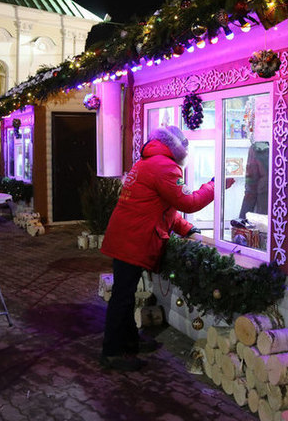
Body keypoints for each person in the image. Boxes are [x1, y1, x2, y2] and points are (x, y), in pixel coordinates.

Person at [99, 125, 233, 371]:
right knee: (122, 297)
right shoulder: (165, 167)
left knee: (124, 295)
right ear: (177, 148)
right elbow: (187, 202)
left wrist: (186, 229)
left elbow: (163, 208)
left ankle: (129, 343)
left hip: (125, 237)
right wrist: (215, 185)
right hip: (134, 240)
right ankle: (112, 352)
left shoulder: (147, 162)